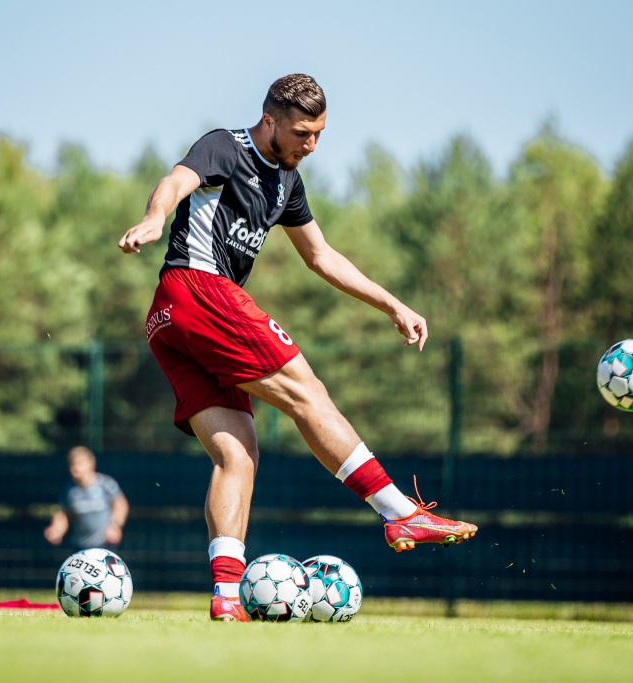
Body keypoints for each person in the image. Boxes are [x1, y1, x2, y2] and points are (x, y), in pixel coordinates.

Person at [118, 73, 477, 622]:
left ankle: (226, 596)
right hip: (198, 288)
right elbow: (175, 181)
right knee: (308, 392)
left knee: (237, 455)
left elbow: (322, 256)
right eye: (303, 133)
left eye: (319, 135)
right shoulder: (226, 146)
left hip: (170, 319)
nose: (311, 145)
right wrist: (153, 216)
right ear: (271, 121)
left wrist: (392, 304)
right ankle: (399, 512)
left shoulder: (288, 182)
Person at [43, 446, 129, 551]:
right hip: (80, 549)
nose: (74, 468)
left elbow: (120, 504)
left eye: (79, 464)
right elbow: (64, 514)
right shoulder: (69, 490)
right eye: (72, 464)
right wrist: (56, 529)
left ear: (91, 465)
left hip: (105, 547)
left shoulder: (105, 484)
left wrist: (115, 526)